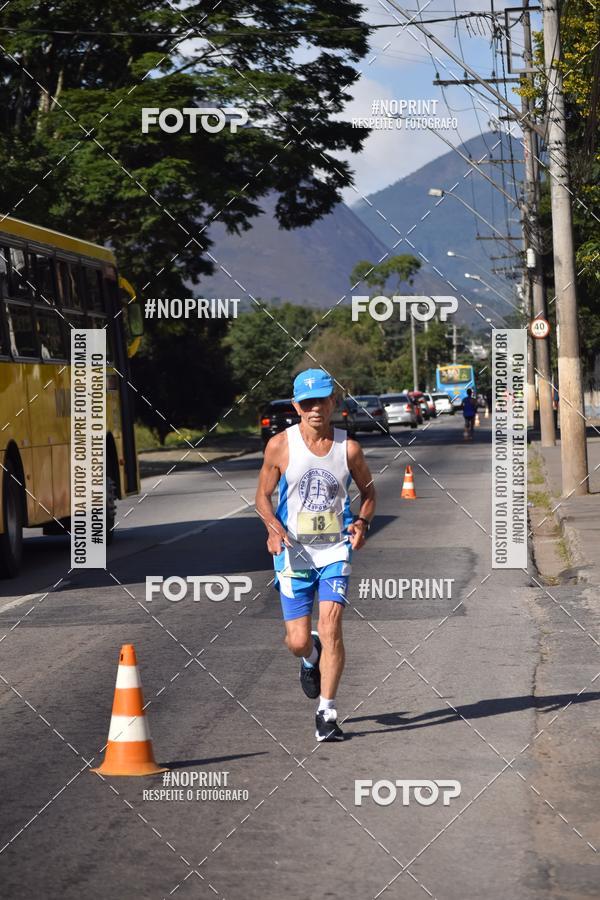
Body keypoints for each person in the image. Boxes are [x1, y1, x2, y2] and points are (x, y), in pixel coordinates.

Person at [255, 369, 376, 742]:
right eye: (307, 403)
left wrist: (362, 523)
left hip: (334, 551)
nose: (314, 409)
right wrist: (273, 529)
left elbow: (369, 494)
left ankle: (327, 712)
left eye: (321, 401)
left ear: (333, 402)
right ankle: (310, 657)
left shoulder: (348, 449)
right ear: (296, 406)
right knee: (297, 641)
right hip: (294, 555)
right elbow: (262, 497)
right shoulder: (280, 446)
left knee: (331, 625)